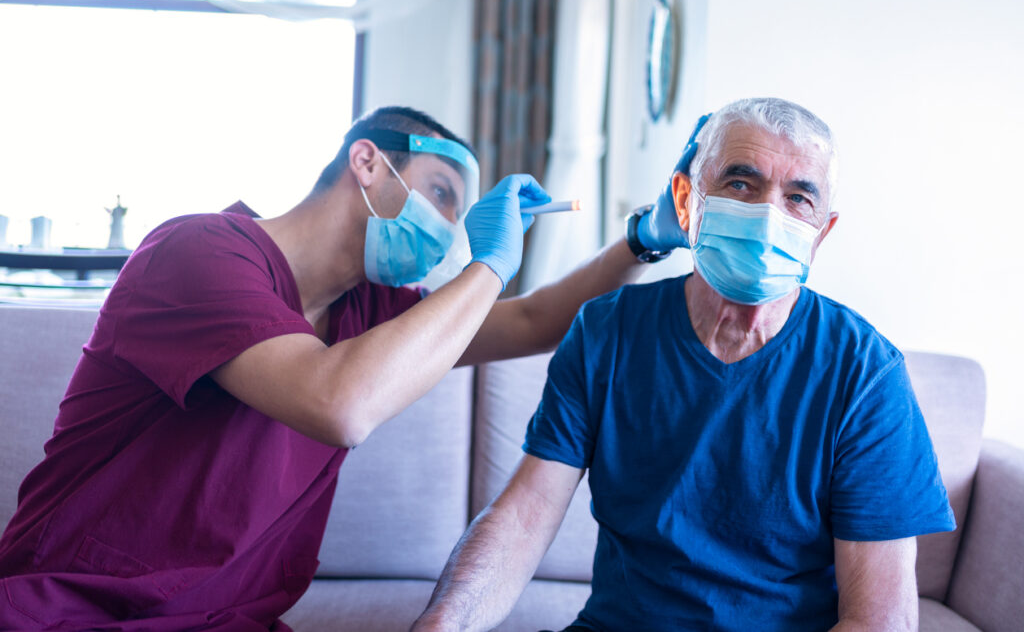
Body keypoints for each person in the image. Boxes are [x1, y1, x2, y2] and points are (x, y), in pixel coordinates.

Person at [0, 106, 687, 630]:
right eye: (443, 193)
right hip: (78, 610)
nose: (449, 227)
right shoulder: (197, 252)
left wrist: (643, 239)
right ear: (366, 162)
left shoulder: (371, 309)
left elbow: (534, 320)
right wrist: (489, 265)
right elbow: (340, 404)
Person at [411, 98, 956, 632]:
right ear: (687, 200)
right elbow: (525, 514)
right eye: (741, 184)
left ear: (821, 233)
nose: (768, 214)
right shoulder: (609, 331)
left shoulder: (865, 373)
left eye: (797, 199)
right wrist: (446, 619)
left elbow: (880, 619)